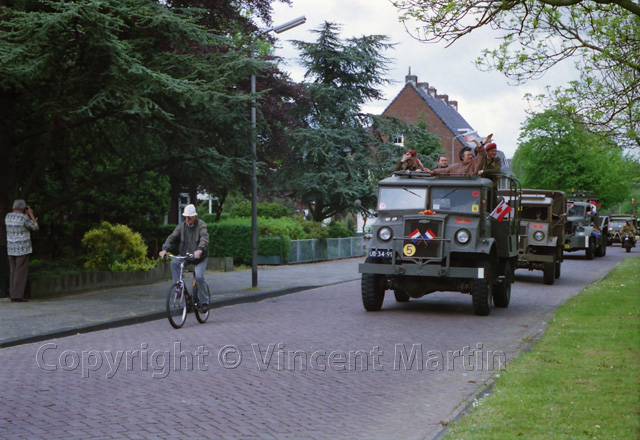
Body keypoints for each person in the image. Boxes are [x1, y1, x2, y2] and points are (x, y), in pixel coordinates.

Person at [159, 204, 210, 312]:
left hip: (199, 257)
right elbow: (172, 237)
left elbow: (204, 238)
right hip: (186, 255)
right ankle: (178, 289)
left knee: (199, 277)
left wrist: (200, 249)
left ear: (194, 217)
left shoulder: (201, 225)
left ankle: (204, 301)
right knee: (174, 263)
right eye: (185, 217)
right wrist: (165, 249)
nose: (187, 219)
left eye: (189, 217)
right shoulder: (181, 226)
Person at [5, 200, 39, 302]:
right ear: (24, 209)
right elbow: (36, 227)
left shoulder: (8, 216)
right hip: (22, 248)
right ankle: (17, 296)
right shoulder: (24, 218)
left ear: (13, 208)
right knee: (20, 272)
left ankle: (12, 294)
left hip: (11, 247)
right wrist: (31, 214)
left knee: (13, 271)